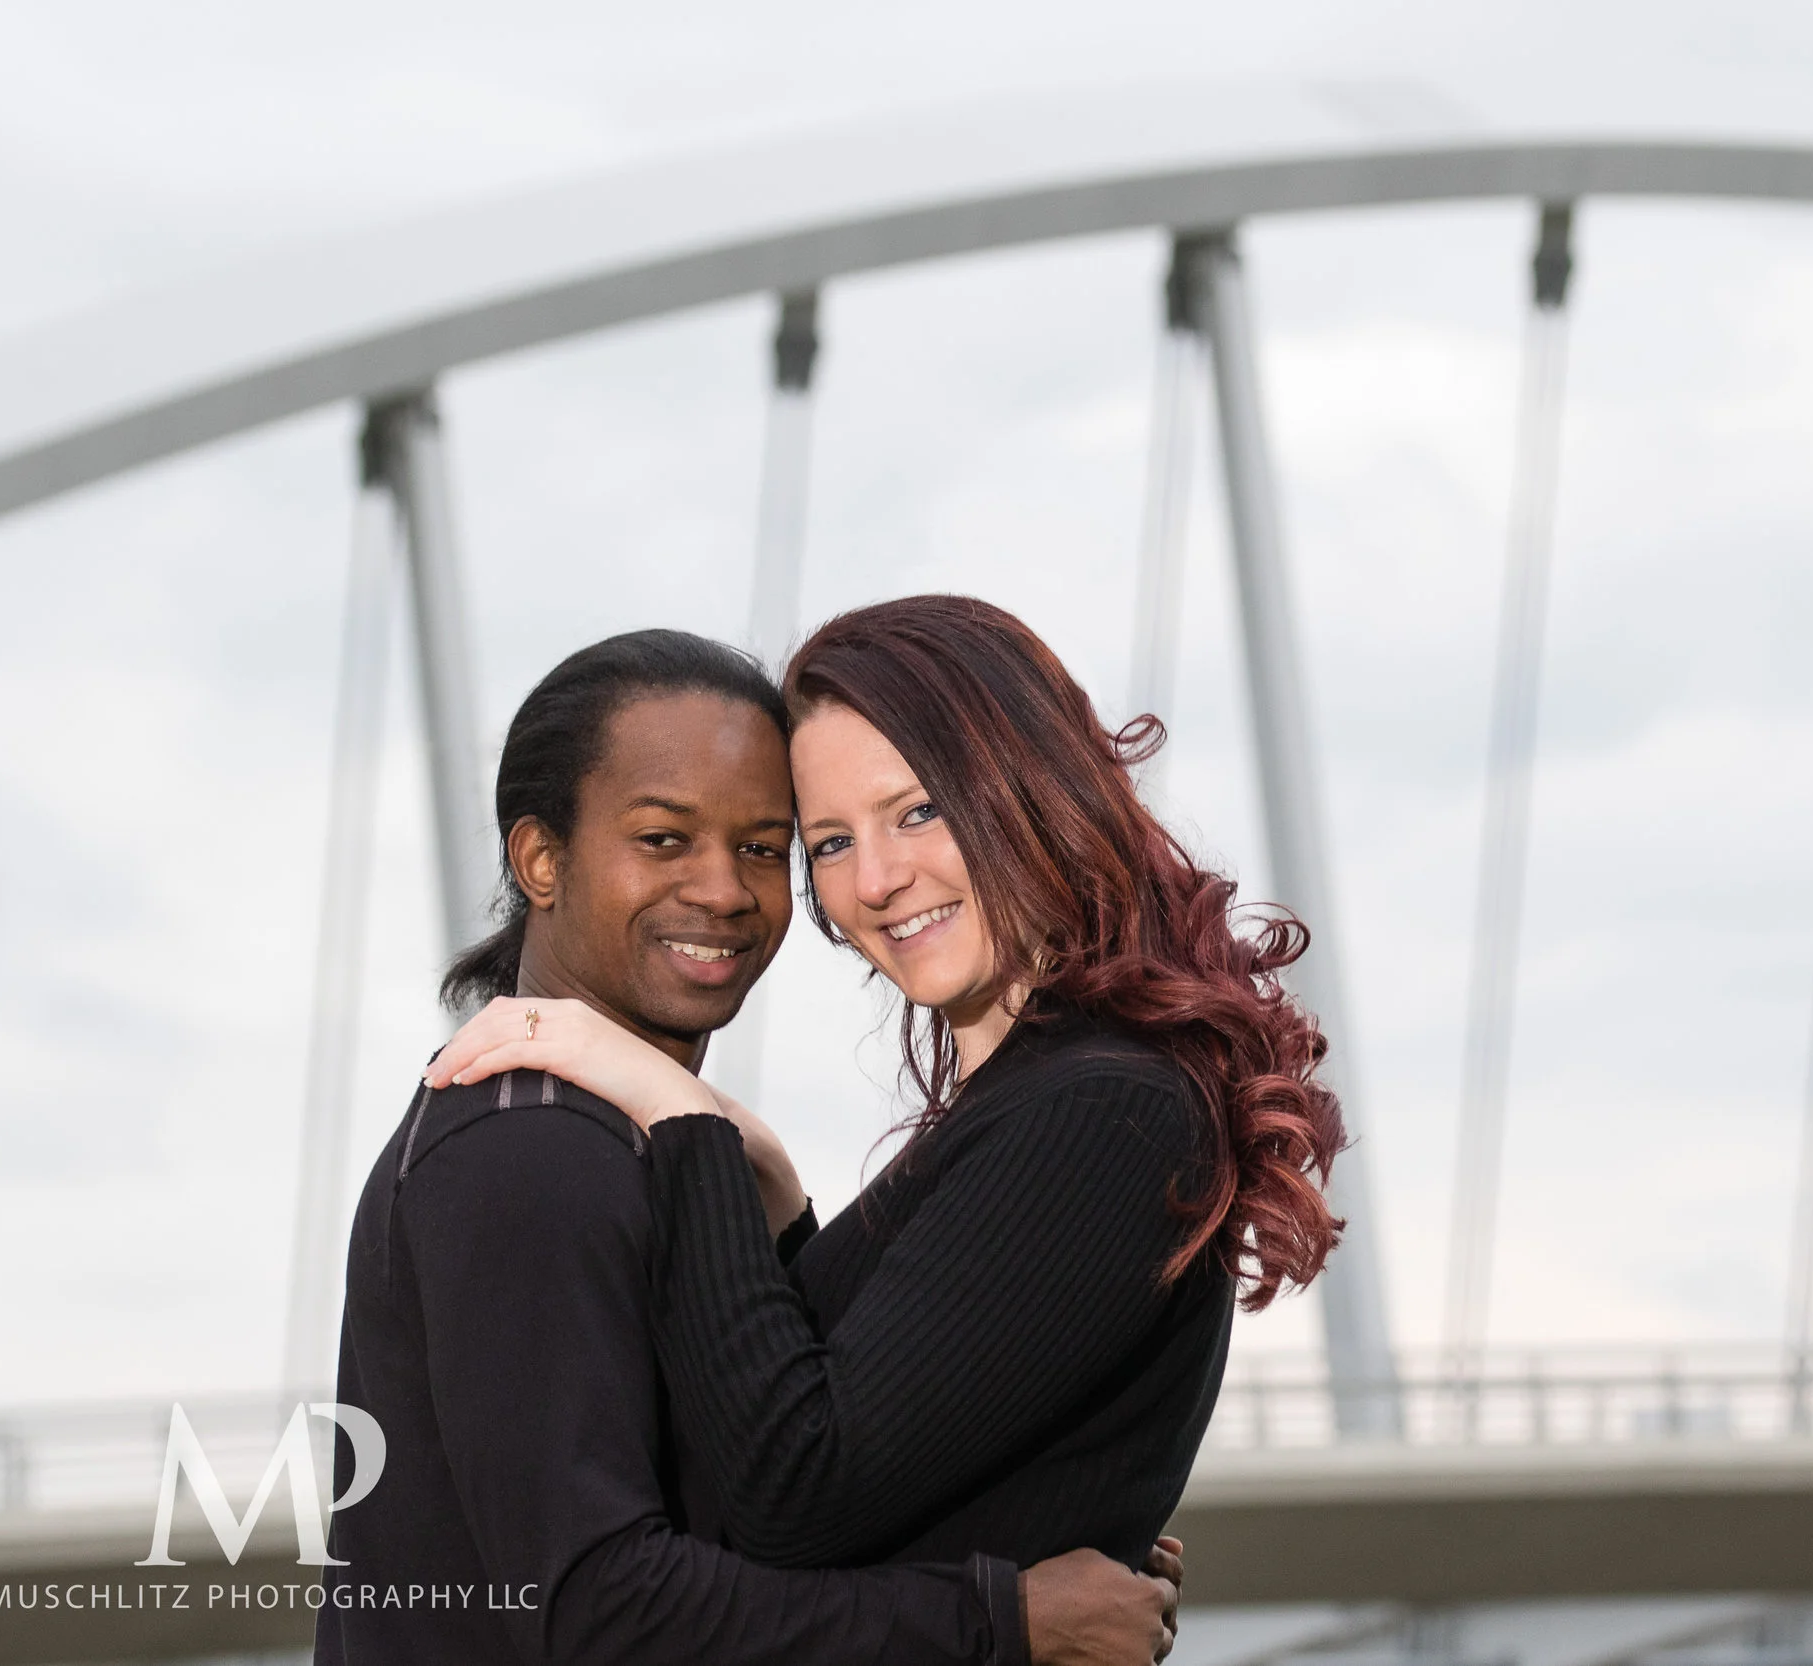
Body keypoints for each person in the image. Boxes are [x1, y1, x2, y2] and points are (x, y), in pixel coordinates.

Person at [427, 594, 1349, 1581]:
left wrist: (679, 1112)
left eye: (918, 811)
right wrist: (779, 1210)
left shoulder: (1100, 1112)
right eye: (827, 843)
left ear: (1033, 788)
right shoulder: (1039, 1099)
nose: (874, 880)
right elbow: (887, 1411)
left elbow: (797, 1491)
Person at [318, 629, 1179, 1666]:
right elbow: (600, 1609)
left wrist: (1027, 1515)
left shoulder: (626, 1143)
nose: (724, 890)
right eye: (664, 839)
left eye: (766, 848)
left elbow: (771, 1458)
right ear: (541, 859)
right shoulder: (530, 1150)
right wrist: (1003, 1618)